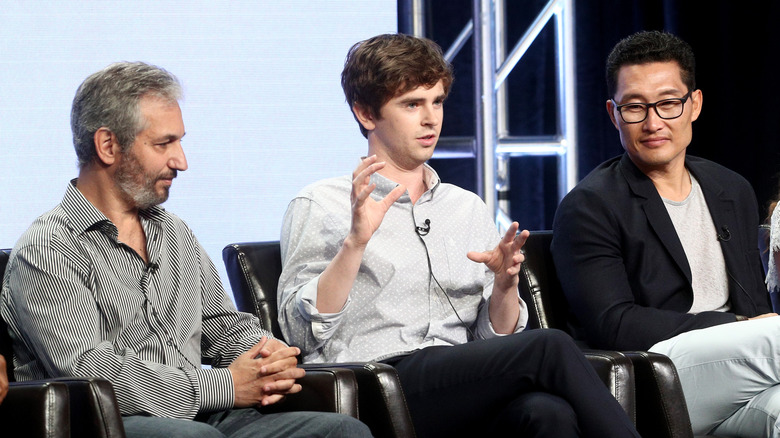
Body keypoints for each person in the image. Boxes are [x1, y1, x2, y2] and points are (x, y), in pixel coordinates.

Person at [278, 33, 639, 438]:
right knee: (548, 346)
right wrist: (355, 243)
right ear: (365, 113)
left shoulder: (465, 206)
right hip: (377, 381)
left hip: (460, 382)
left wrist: (504, 284)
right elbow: (299, 333)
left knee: (546, 412)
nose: (431, 118)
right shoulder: (321, 203)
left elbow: (495, 335)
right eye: (412, 104)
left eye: (437, 101)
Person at [0, 62, 370, 438]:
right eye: (164, 144)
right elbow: (90, 372)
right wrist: (225, 386)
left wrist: (266, 356)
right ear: (108, 146)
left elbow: (222, 327)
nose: (181, 161)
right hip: (106, 424)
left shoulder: (173, 231)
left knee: (341, 430)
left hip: (202, 418)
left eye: (179, 142)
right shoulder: (49, 247)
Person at [552, 30, 780, 437]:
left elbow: (755, 297)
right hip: (658, 372)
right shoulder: (590, 205)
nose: (653, 122)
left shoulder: (730, 187)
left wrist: (748, 326)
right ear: (613, 113)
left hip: (740, 373)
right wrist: (737, 325)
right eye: (635, 107)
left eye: (669, 103)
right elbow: (612, 324)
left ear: (694, 105)